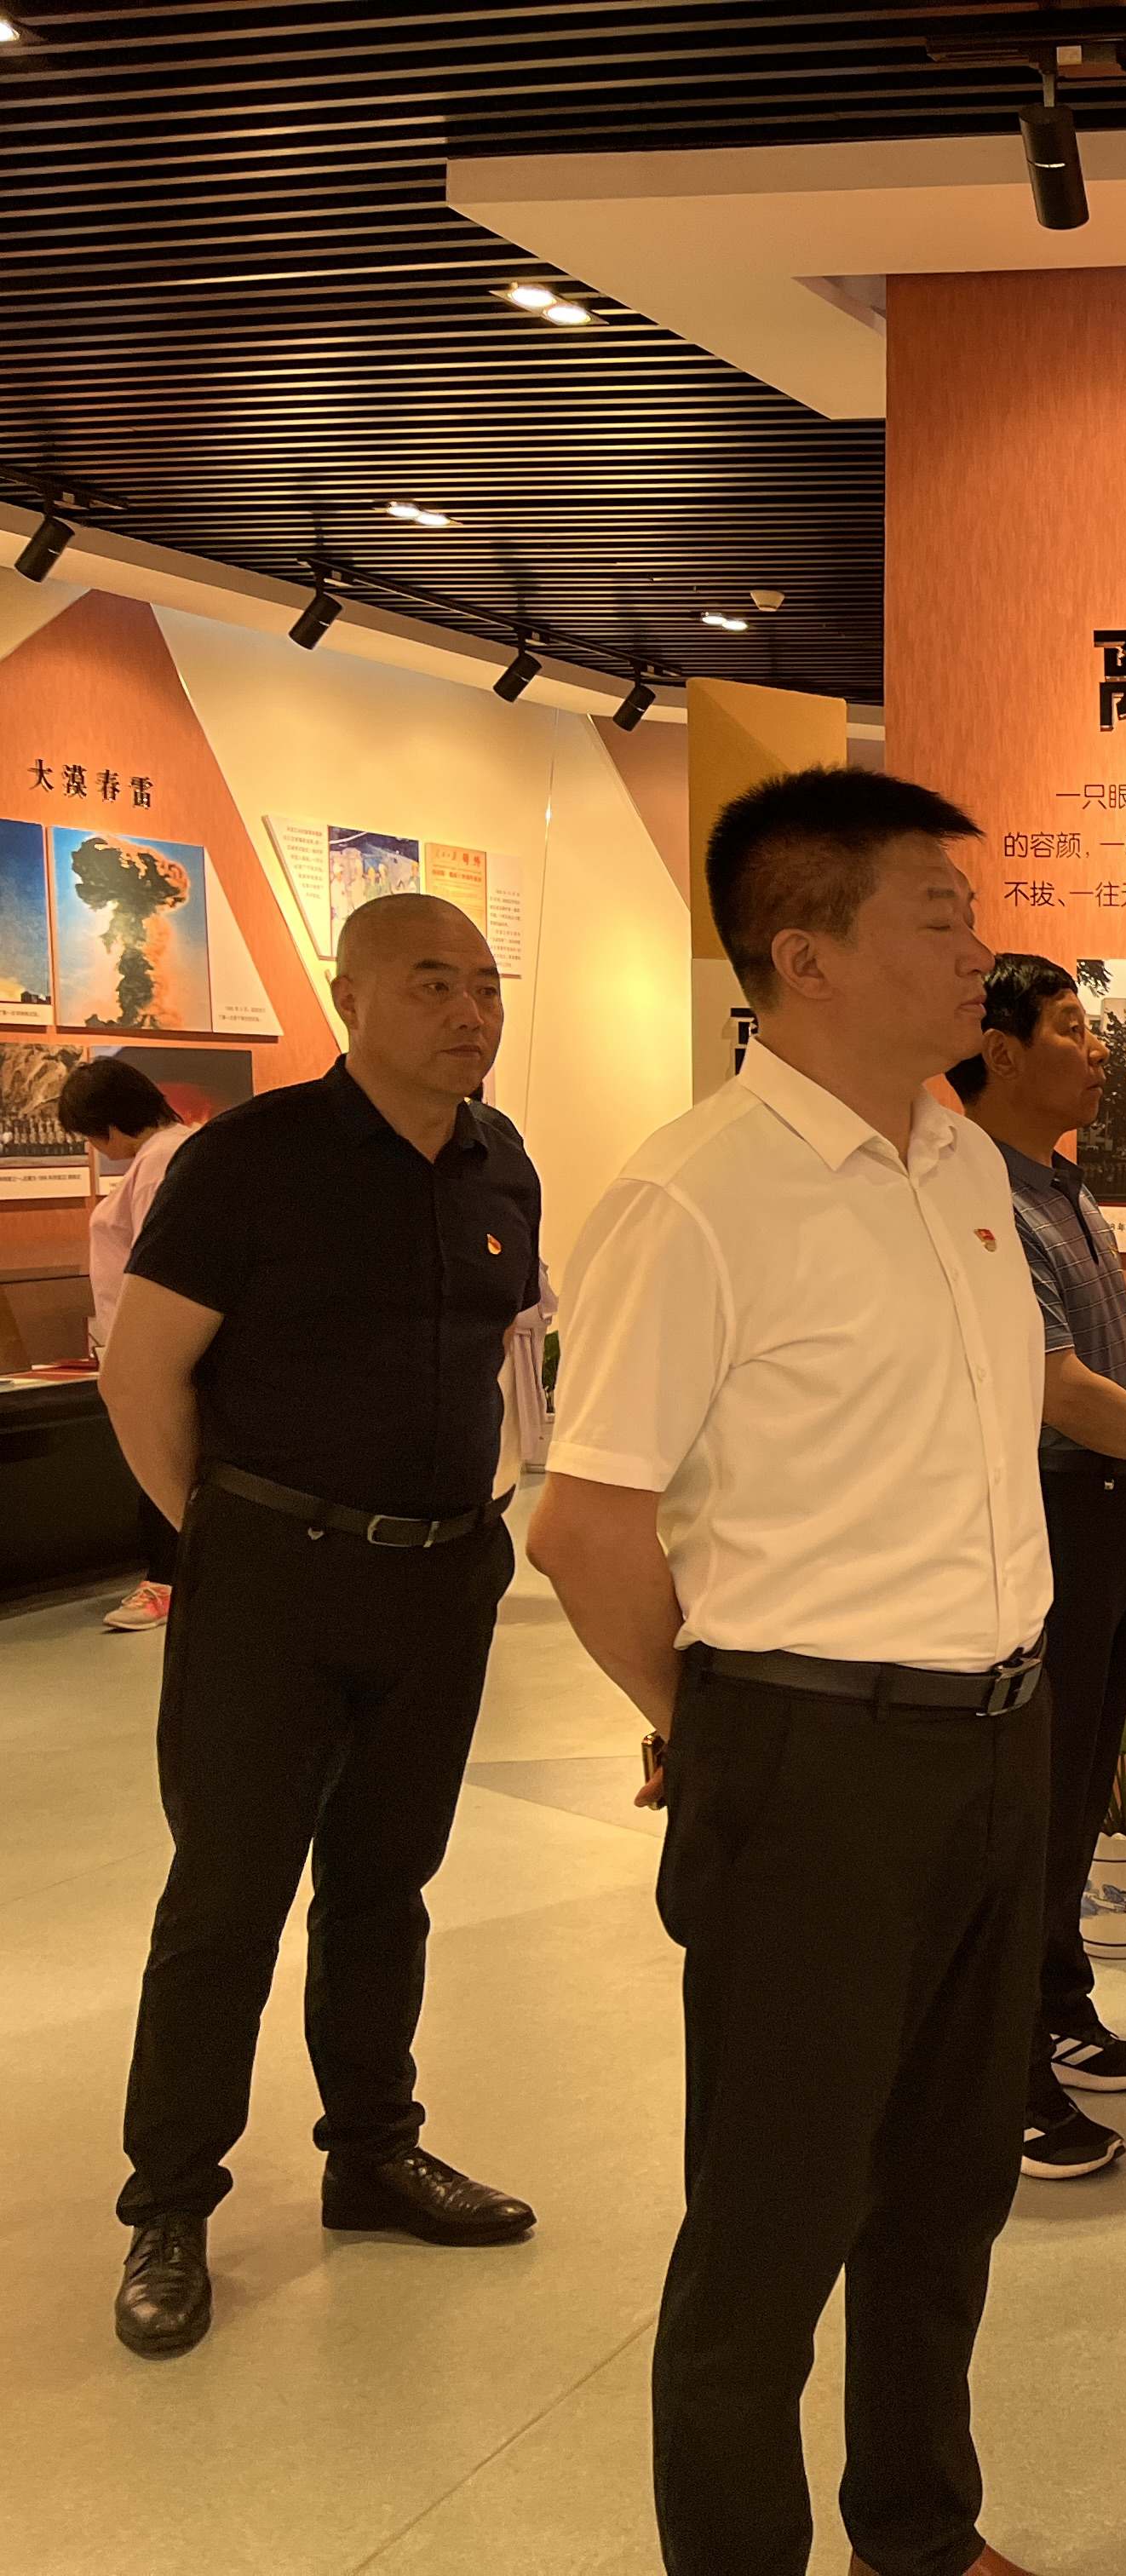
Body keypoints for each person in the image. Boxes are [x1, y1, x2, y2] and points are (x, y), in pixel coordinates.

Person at [529, 769, 1049, 2576]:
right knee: (772, 2228)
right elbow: (585, 1527)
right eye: (940, 916)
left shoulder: (958, 1156)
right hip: (811, 1754)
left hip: (996, 1736)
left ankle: (919, 2527)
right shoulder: (697, 1194)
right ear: (804, 954)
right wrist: (723, 1727)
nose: (980, 951)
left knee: (949, 2191)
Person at [96, 893, 540, 2361]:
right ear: (351, 997)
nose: (470, 1012)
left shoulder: (501, 1161)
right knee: (226, 1896)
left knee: (385, 1884)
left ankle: (373, 2152)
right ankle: (170, 2204)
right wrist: (225, 1538)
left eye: (487, 985)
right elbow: (141, 1373)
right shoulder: (250, 1159)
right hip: (272, 1578)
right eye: (433, 983)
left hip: (442, 1577)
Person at [951, 952, 1126, 2188]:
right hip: (1048, 1515)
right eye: (1071, 1027)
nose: (1098, 1048)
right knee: (1037, 1804)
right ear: (1001, 1051)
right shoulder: (981, 1197)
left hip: (1107, 1507)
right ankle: (1002, 2078)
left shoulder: (1063, 1187)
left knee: (1076, 1782)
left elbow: (1123, 1342)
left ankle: (1059, 2009)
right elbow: (1051, 1382)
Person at [61, 1055, 192, 1631]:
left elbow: (153, 1259)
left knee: (159, 1462)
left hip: (153, 1349)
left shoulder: (161, 1158)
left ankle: (165, 1581)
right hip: (144, 1347)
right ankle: (172, 1578)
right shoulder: (172, 1151)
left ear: (109, 1124)